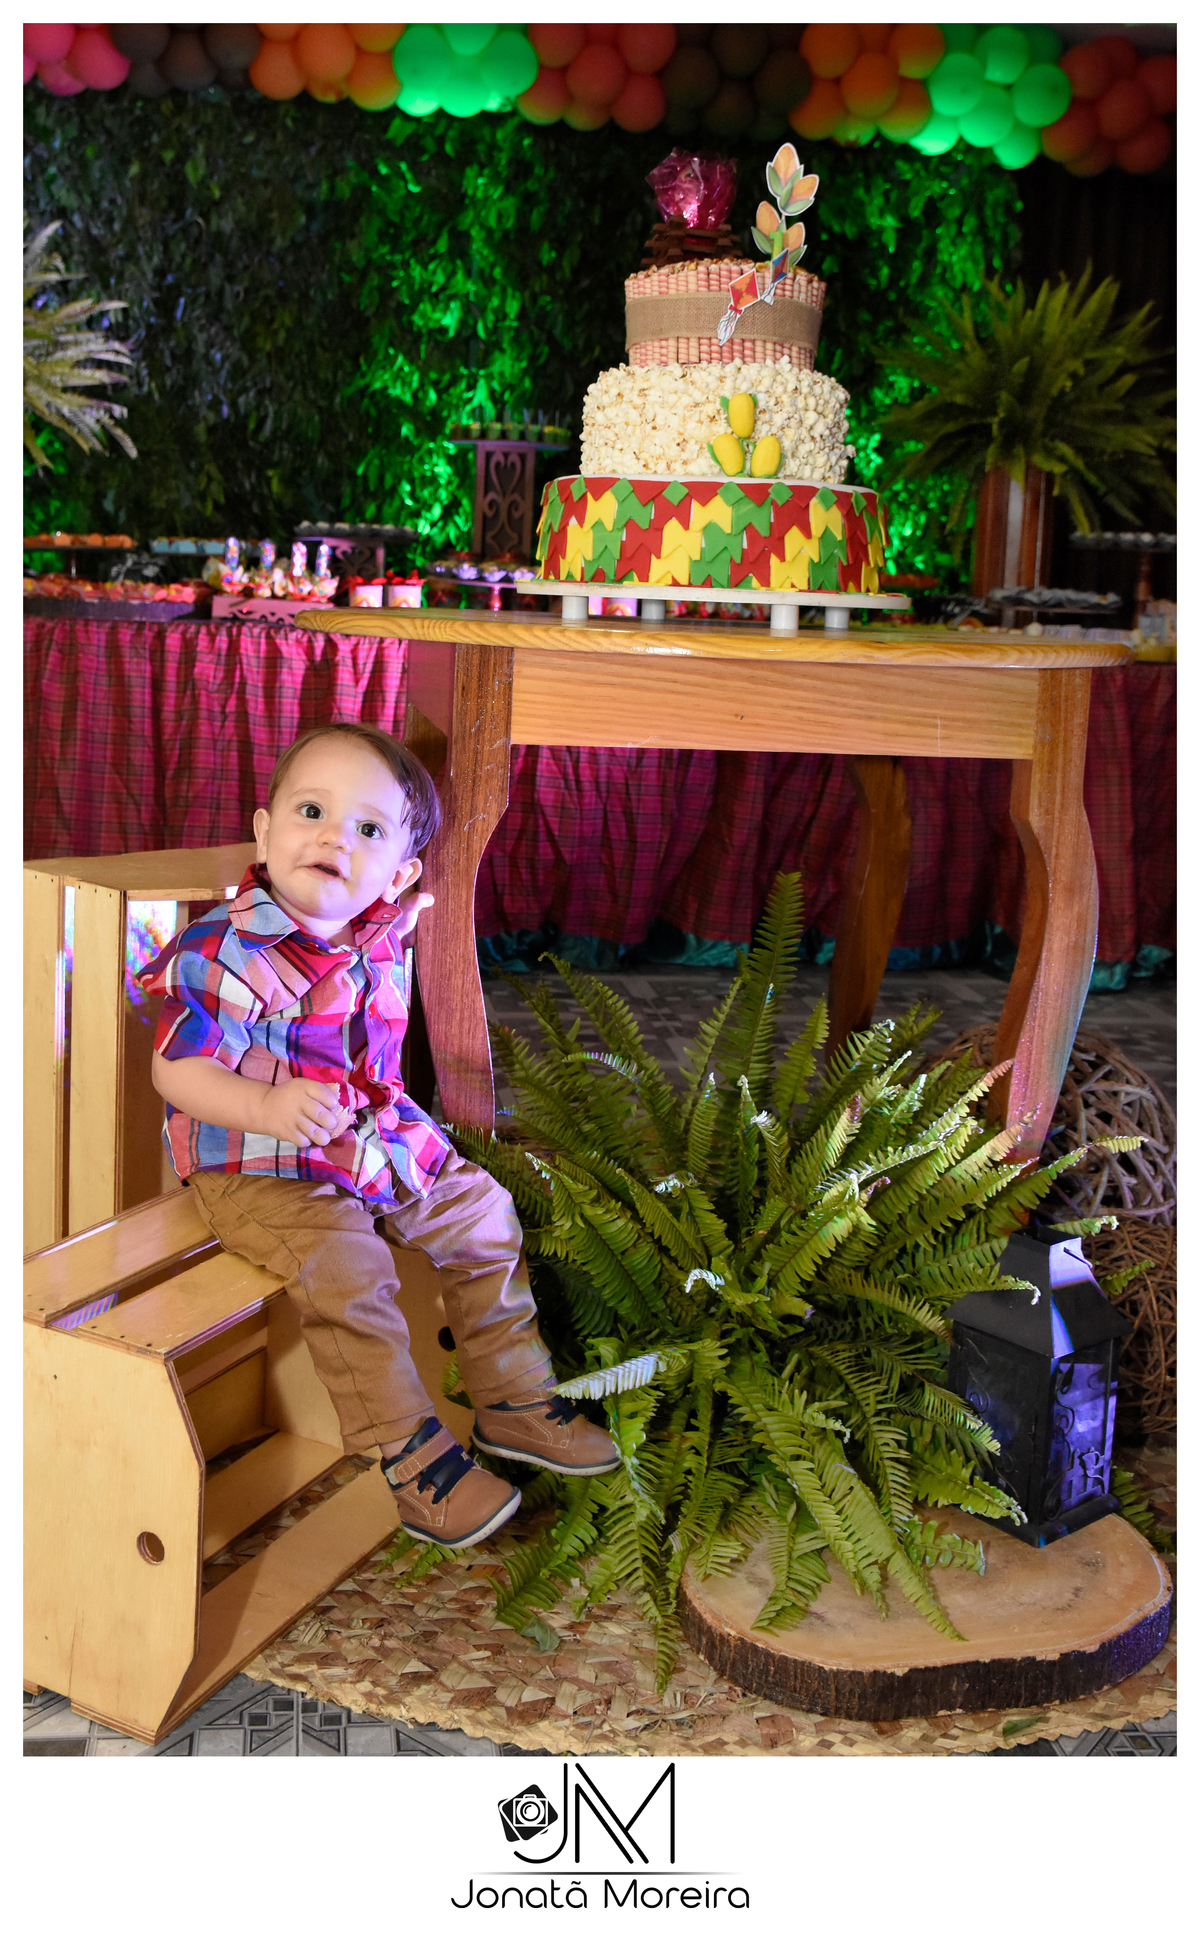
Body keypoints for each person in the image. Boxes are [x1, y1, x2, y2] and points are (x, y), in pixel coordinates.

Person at [140, 719, 619, 1549]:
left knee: (483, 1211)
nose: (334, 837)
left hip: (366, 1136)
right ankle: (413, 1459)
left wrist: (395, 921)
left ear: (397, 872)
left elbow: (360, 988)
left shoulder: (374, 929)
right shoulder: (225, 949)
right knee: (348, 1265)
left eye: (367, 829)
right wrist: (264, 1107)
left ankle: (512, 1396)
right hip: (255, 1161)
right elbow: (174, 1068)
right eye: (312, 811)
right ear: (264, 830)